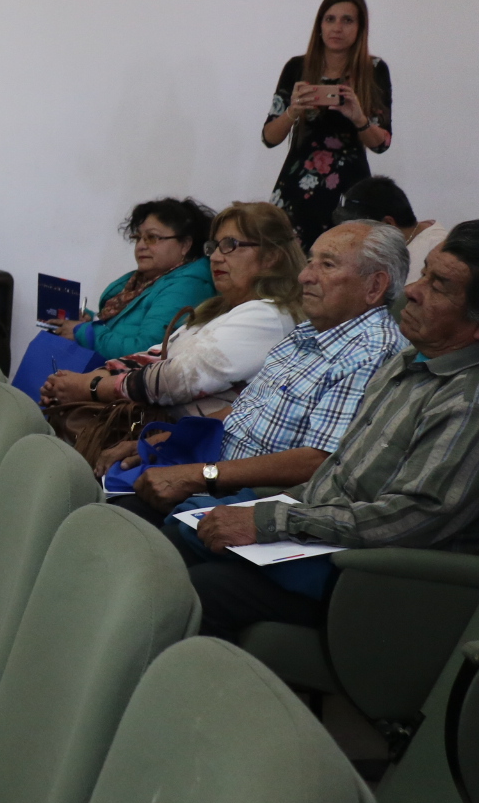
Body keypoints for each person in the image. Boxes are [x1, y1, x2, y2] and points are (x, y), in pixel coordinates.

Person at [184, 222, 479, 640]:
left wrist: (270, 519)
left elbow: (410, 520)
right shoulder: (409, 363)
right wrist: (255, 509)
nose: (413, 290)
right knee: (177, 537)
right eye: (424, 273)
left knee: (199, 589)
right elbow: (337, 473)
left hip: (374, 581)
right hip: (315, 536)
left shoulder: (466, 400)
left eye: (439, 285)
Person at [104, 221, 406, 518]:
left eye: (327, 265)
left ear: (374, 286)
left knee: (115, 518)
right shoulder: (308, 332)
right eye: (309, 262)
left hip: (247, 502)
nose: (304, 276)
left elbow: (320, 461)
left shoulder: (373, 351)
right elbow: (244, 410)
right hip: (210, 472)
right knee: (104, 487)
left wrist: (200, 474)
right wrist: (166, 441)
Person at [42, 202, 305, 422]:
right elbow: (156, 354)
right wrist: (89, 378)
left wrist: (91, 387)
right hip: (144, 426)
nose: (215, 257)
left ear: (271, 256)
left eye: (230, 245)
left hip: (179, 447)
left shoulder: (269, 316)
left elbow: (178, 379)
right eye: (214, 246)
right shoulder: (218, 308)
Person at [263, 0, 393, 248]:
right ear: (319, 25)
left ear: (360, 27)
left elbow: (381, 143)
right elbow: (269, 138)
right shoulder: (297, 67)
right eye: (330, 19)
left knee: (347, 257)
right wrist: (293, 111)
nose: (337, 28)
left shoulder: (374, 69)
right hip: (298, 185)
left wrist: (359, 118)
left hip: (350, 187)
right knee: (290, 259)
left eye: (347, 20)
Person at [52, 197, 215, 360]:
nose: (141, 246)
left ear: (185, 245)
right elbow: (121, 329)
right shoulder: (139, 282)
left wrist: (85, 332)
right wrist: (91, 320)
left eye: (152, 237)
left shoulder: (187, 287)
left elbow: (148, 351)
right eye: (138, 238)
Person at [337, 175, 447, 283]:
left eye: (357, 232)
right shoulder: (403, 239)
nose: (353, 239)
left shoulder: (435, 256)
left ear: (388, 224)